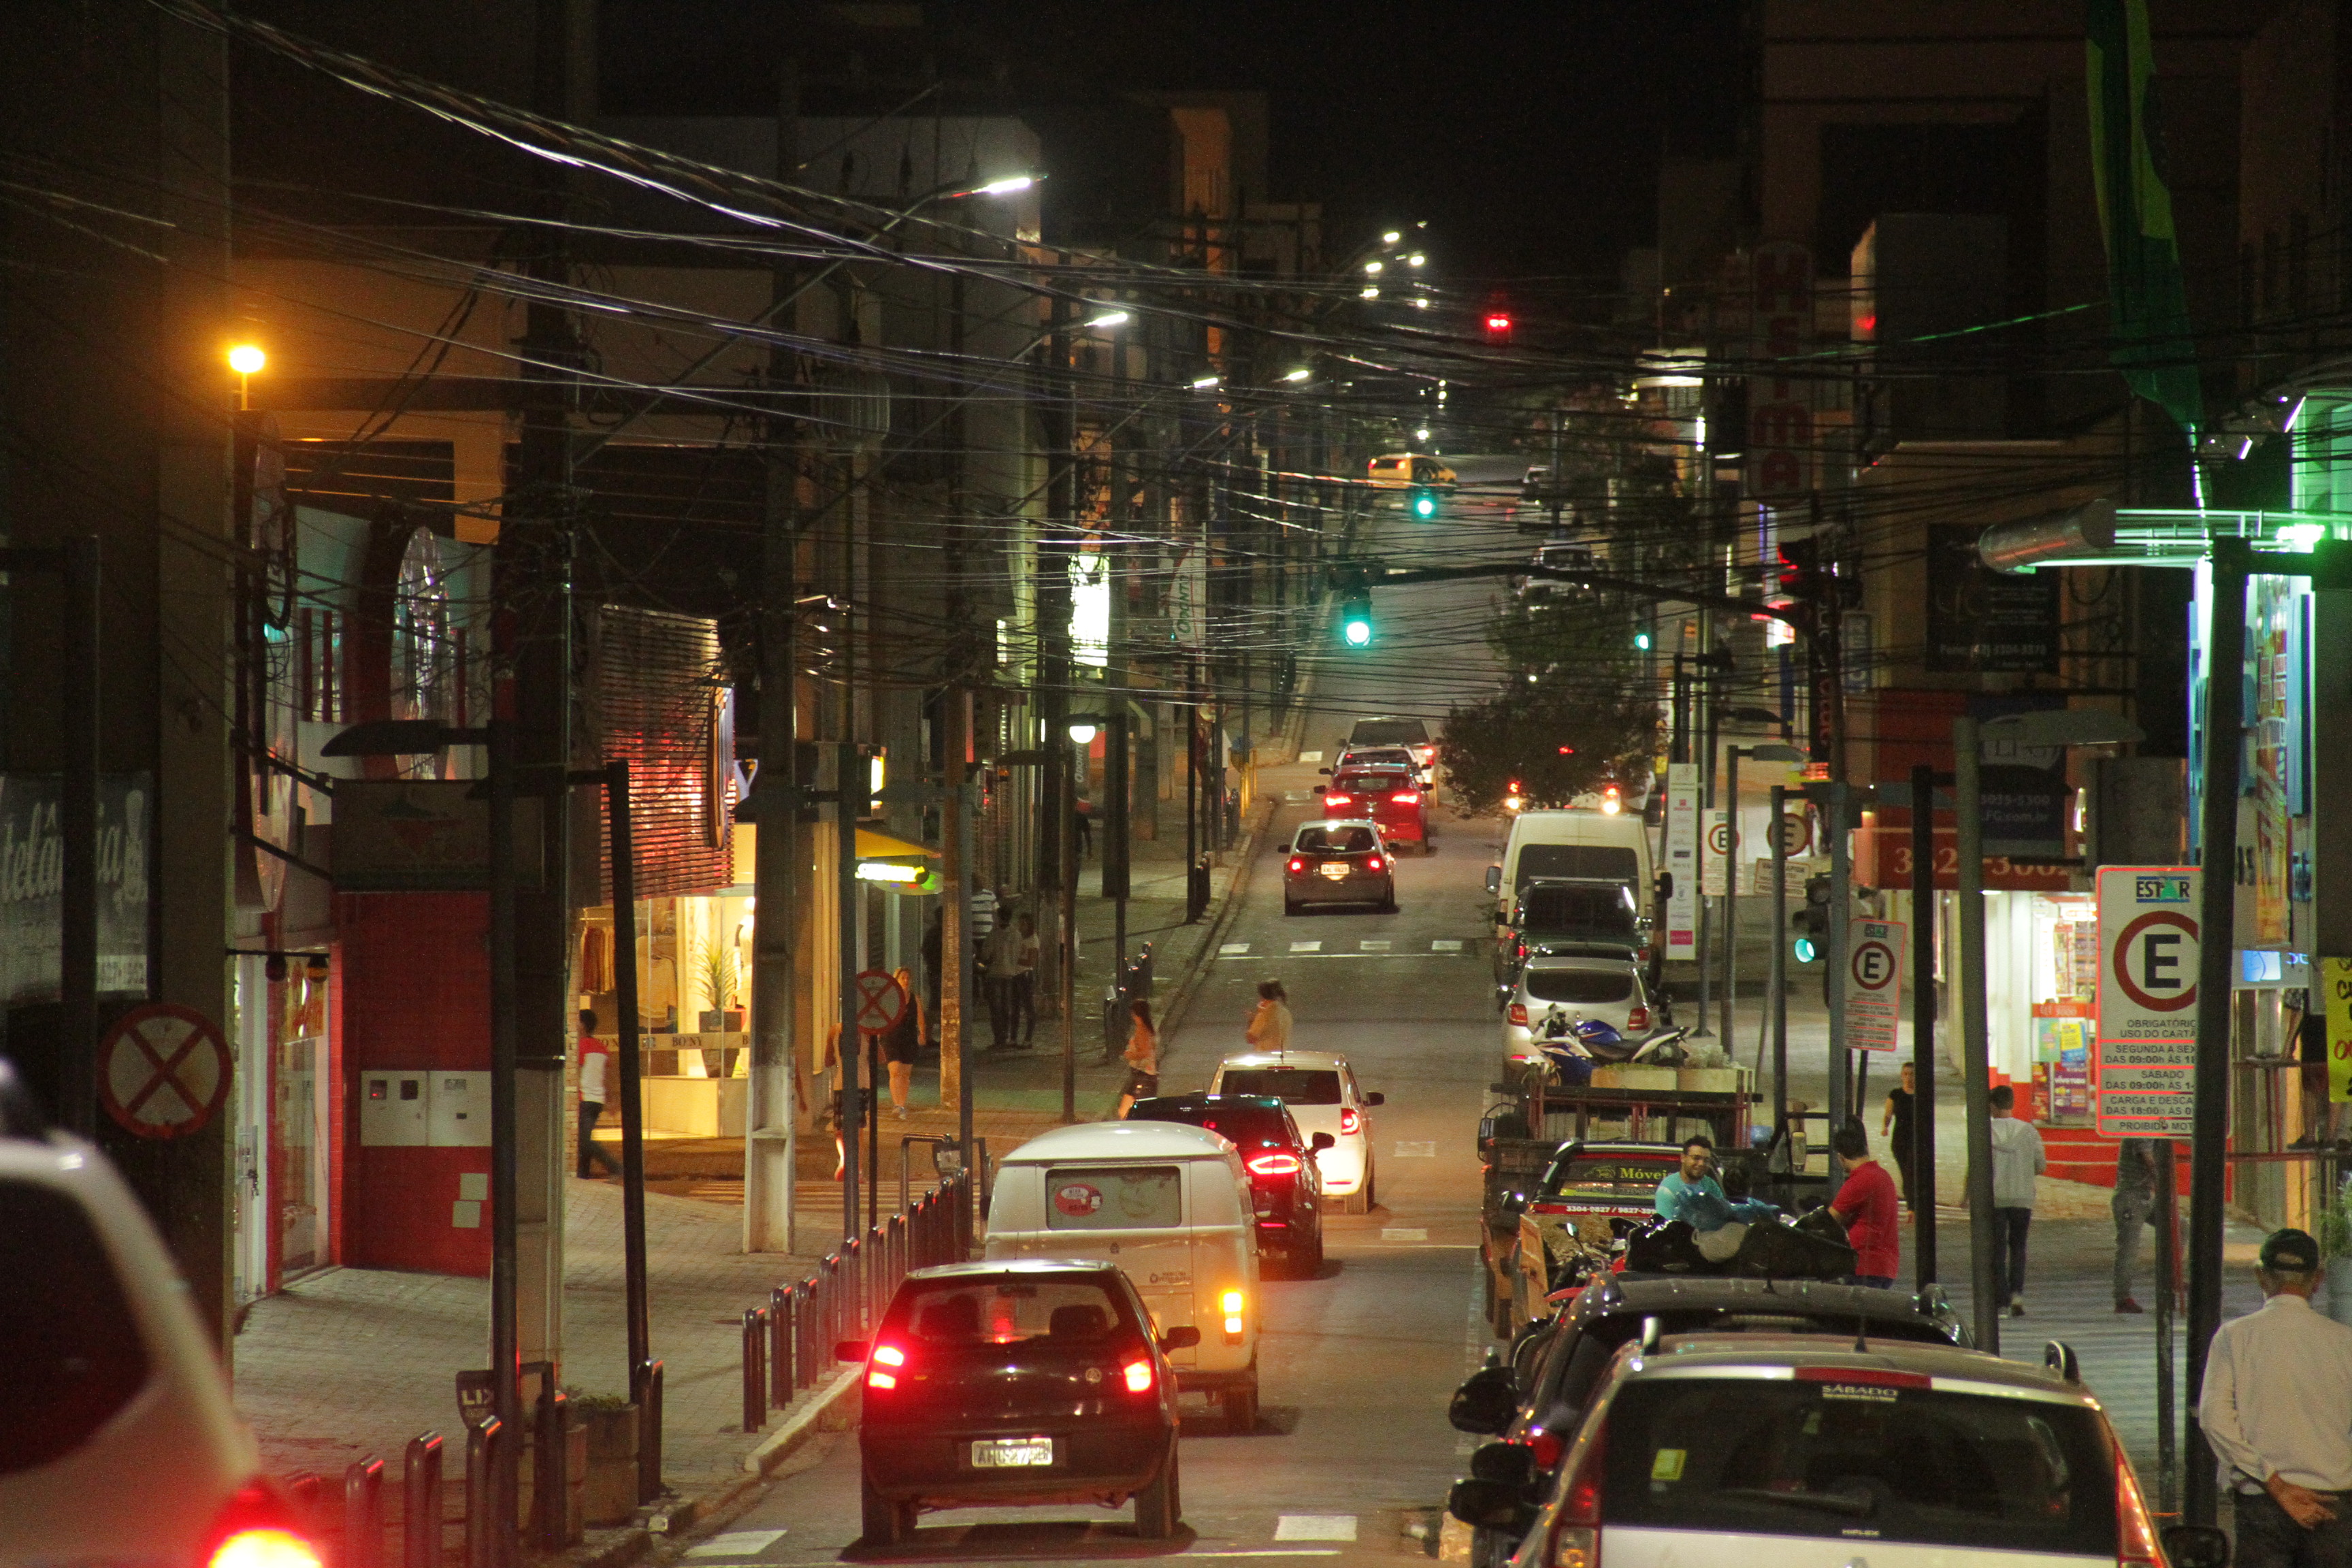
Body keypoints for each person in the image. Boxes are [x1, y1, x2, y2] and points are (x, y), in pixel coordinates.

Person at [2198, 1227, 2352, 1568]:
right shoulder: (2345, 1342)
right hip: (2332, 1502)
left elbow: (2214, 1420)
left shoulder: (2234, 1338)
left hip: (2262, 1501)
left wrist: (2277, 1485)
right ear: (2319, 1279)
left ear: (2260, 1276)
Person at [1986, 1083, 2046, 1315]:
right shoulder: (2029, 1132)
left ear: (1992, 1105)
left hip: (1996, 1197)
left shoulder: (1986, 1132)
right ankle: (2017, 1295)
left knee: (1998, 1248)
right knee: (2019, 1246)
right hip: (2022, 1198)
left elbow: (1978, 1166)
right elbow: (2041, 1166)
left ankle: (2000, 1296)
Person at [1829, 1121, 1899, 1287]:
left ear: (1841, 1157)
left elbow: (1829, 1221)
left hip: (1864, 1266)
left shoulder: (1859, 1180)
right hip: (1886, 1267)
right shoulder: (1883, 1176)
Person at [2112, 1136, 2159, 1313]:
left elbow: (2177, 1136)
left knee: (2180, 1227)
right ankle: (2122, 1297)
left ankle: (2173, 1277)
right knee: (2129, 1248)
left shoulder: (2157, 1125)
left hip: (2147, 1195)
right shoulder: (2141, 1126)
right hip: (2131, 1196)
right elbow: (2148, 1159)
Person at [574, 1009, 621, 1179]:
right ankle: (583, 1176)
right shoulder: (602, 1048)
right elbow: (606, 1077)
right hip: (597, 1100)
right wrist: (610, 1100)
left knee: (584, 1140)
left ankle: (614, 1166)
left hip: (584, 1098)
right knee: (583, 1141)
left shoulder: (581, 1046)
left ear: (583, 1026)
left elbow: (577, 1074)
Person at [880, 967, 921, 1120]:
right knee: (895, 1070)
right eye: (902, 978)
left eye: (907, 978)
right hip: (891, 1037)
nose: (906, 981)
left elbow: (920, 1018)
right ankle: (897, 1104)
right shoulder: (889, 998)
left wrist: (922, 1034)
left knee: (905, 1074)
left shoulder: (914, 999)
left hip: (908, 1038)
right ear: (896, 980)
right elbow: (882, 1017)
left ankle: (902, 1104)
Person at [1653, 1134, 1724, 1218]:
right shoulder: (1668, 1190)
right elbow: (1666, 1227)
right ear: (1683, 1158)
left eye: (1706, 1160)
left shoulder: (1711, 1186)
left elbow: (1723, 1218)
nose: (1701, 1164)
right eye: (1696, 1158)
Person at [1880, 1061, 1918, 1208]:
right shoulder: (1895, 1094)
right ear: (1902, 1076)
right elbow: (1888, 1114)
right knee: (1905, 1172)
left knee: (1911, 1171)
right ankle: (1911, 1200)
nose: (1909, 1078)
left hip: (1917, 1138)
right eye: (1906, 1074)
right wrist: (1885, 1127)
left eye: (1912, 1074)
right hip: (1900, 1139)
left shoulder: (1922, 1095)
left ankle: (1912, 1206)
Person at [983, 918, 1023, 1049]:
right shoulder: (1017, 934)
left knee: (996, 1008)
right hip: (1011, 974)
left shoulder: (994, 934)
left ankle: (999, 1039)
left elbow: (986, 954)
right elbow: (1018, 953)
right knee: (1006, 1008)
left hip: (995, 974)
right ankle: (1005, 1038)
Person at [1116, 998, 1159, 1118]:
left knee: (1128, 1112)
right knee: (1126, 1111)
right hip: (1145, 1076)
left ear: (1134, 1013)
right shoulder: (1148, 1028)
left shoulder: (1142, 1030)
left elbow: (1145, 1052)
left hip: (1143, 1076)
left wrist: (1130, 1055)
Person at [1010, 913, 1040, 1046]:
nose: (1020, 926)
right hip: (1015, 974)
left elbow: (1030, 962)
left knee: (1028, 1007)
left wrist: (1014, 959)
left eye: (1023, 924)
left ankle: (1028, 1039)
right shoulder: (1018, 937)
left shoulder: (1033, 940)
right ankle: (1013, 1037)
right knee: (1014, 1007)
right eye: (1020, 923)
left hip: (1025, 975)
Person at [1245, 979, 1292, 1052]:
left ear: (1262, 995)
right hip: (1281, 1056)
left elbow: (1251, 1039)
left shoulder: (1264, 1015)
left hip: (1265, 1057)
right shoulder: (1285, 1013)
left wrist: (1251, 1021)